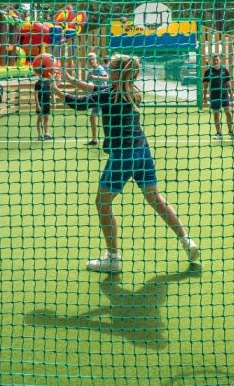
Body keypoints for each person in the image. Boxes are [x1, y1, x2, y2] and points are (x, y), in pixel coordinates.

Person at [56, 54, 200, 273]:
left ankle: (113, 258)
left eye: (111, 69)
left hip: (123, 155)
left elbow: (79, 103)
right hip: (142, 151)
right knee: (156, 199)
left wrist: (55, 91)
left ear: (116, 73)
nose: (107, 71)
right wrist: (70, 80)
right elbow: (94, 88)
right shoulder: (133, 92)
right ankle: (186, 241)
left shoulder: (108, 94)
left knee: (102, 203)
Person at [202, 54, 234, 140]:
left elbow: (228, 83)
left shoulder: (225, 70)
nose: (215, 61)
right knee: (216, 115)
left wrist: (231, 94)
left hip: (224, 96)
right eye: (214, 60)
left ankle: (231, 132)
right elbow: (205, 85)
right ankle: (219, 133)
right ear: (211, 61)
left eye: (217, 60)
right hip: (214, 96)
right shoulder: (208, 72)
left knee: (229, 113)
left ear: (220, 60)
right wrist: (204, 96)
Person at [85, 52, 109, 146]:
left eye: (93, 59)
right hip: (97, 97)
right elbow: (86, 83)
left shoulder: (100, 68)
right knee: (93, 117)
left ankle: (109, 139)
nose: (91, 61)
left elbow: (107, 78)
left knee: (106, 118)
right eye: (89, 60)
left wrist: (95, 77)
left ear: (96, 60)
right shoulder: (90, 71)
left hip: (104, 96)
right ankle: (94, 139)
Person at [33, 68, 54, 140]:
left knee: (46, 118)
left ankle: (46, 133)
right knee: (40, 119)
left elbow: (50, 91)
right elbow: (36, 95)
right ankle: (39, 135)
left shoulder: (48, 81)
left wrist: (53, 99)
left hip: (47, 103)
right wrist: (37, 105)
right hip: (40, 103)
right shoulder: (37, 83)